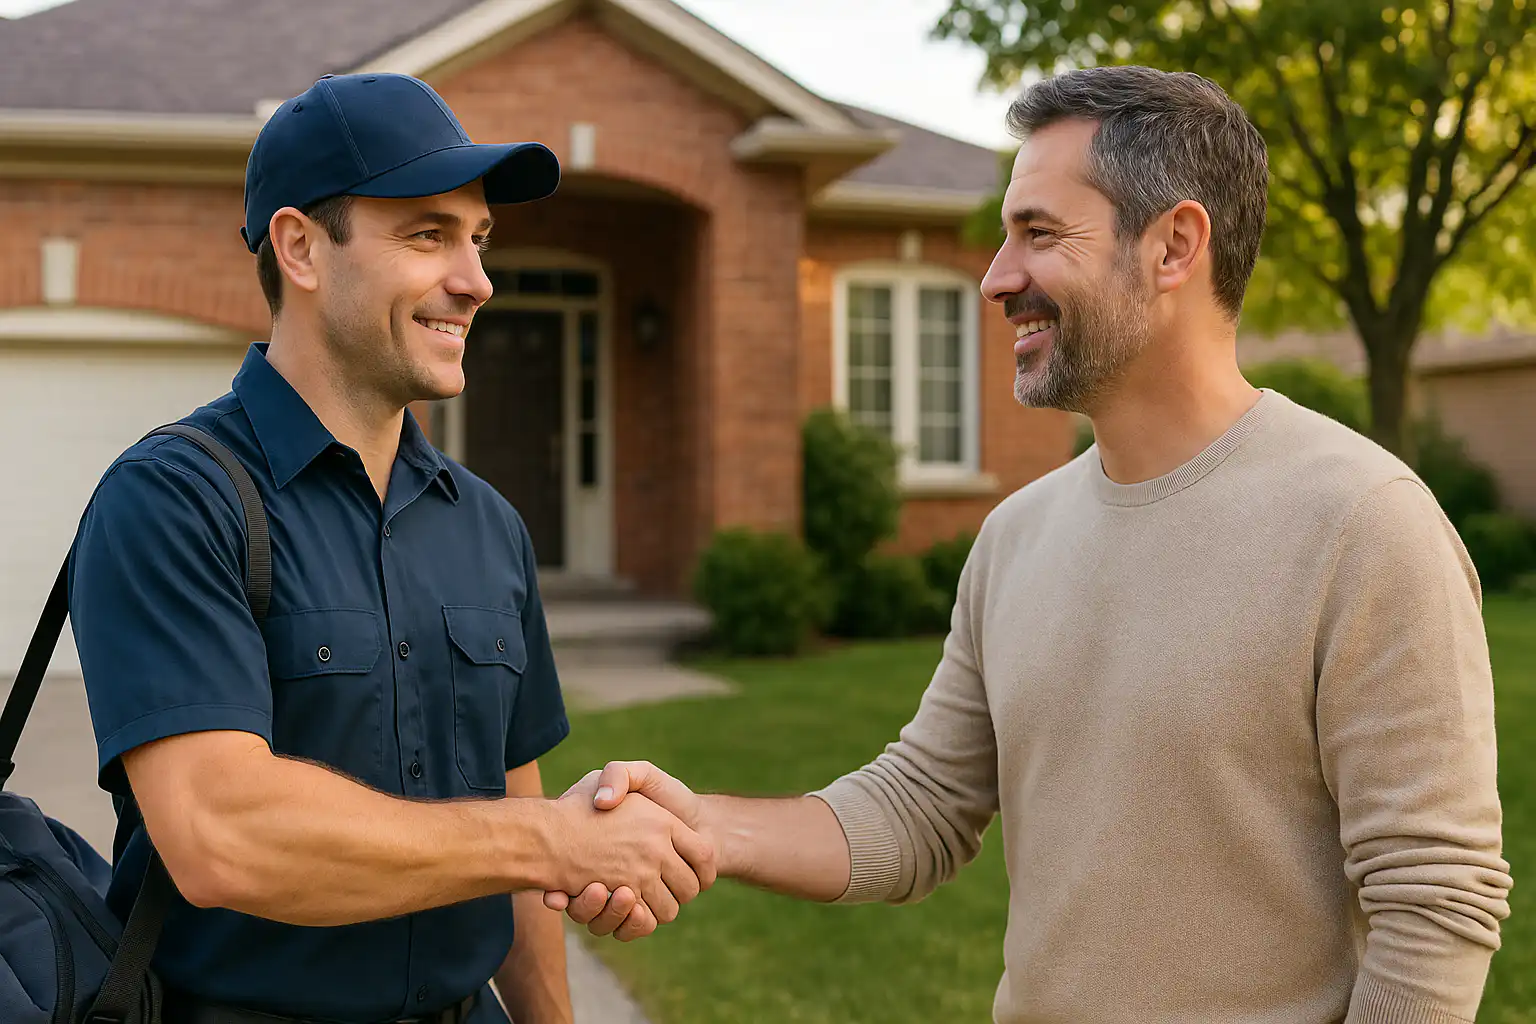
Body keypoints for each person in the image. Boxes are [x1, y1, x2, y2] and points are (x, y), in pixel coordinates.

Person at [547, 65, 1513, 1023]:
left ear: (1175, 245)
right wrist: (705, 827)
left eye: (1039, 236)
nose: (996, 279)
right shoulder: (1016, 534)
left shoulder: (1363, 523)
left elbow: (1435, 905)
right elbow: (921, 807)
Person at [67, 72, 713, 1024]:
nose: (477, 280)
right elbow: (220, 833)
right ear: (300, 248)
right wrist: (549, 841)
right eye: (428, 235)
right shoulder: (171, 500)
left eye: (480, 239)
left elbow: (516, 816)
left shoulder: (487, 524)